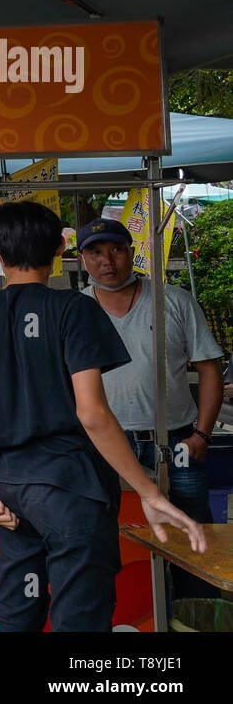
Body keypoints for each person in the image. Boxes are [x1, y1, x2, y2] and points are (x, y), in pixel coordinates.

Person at [0, 201, 206, 632]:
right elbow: (92, 413)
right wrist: (148, 491)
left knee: (16, 612)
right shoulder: (75, 310)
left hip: (9, 491)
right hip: (72, 491)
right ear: (62, 247)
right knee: (79, 618)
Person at [77, 217, 224, 600]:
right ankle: (131, 616)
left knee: (192, 535)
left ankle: (195, 613)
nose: (107, 261)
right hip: (103, 447)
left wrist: (201, 436)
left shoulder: (173, 300)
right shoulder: (74, 310)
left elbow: (209, 369)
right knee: (108, 535)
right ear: (82, 260)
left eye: (115, 249)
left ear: (131, 252)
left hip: (176, 443)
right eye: (95, 253)